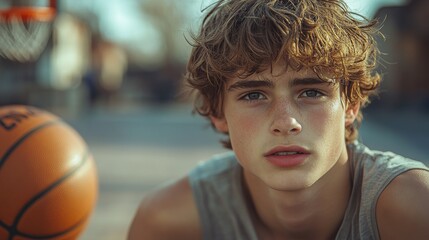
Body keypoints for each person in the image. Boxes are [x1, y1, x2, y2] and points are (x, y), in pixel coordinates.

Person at [128, 0, 429, 239]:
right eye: (253, 96)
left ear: (350, 104)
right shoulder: (168, 221)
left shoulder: (415, 208)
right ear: (218, 112)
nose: (286, 122)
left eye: (311, 92)